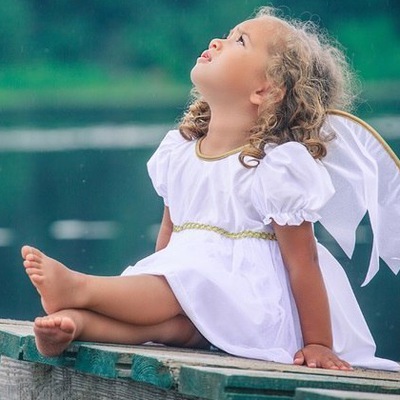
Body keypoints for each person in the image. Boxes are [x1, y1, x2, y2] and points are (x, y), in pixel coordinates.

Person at [21, 6, 400, 371]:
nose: (218, 41)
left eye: (240, 41)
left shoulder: (276, 166)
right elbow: (169, 240)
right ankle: (75, 324)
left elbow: (304, 263)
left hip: (255, 308)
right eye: (227, 35)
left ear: (265, 90)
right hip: (197, 302)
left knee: (188, 285)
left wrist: (318, 342)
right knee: (169, 328)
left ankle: (80, 288)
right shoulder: (180, 152)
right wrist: (152, 283)